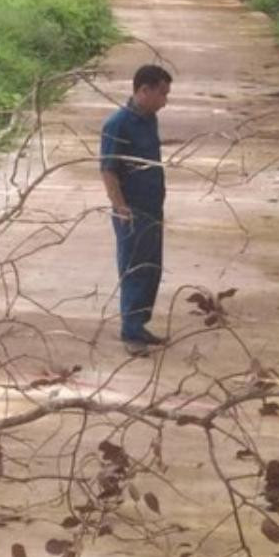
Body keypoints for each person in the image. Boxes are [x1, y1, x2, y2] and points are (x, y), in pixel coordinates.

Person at [99, 64, 173, 356]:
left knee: (152, 268)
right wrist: (120, 206)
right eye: (162, 94)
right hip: (132, 209)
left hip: (153, 206)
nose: (165, 101)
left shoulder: (150, 119)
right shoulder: (117, 125)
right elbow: (108, 170)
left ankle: (140, 322)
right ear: (144, 90)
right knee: (134, 269)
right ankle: (130, 331)